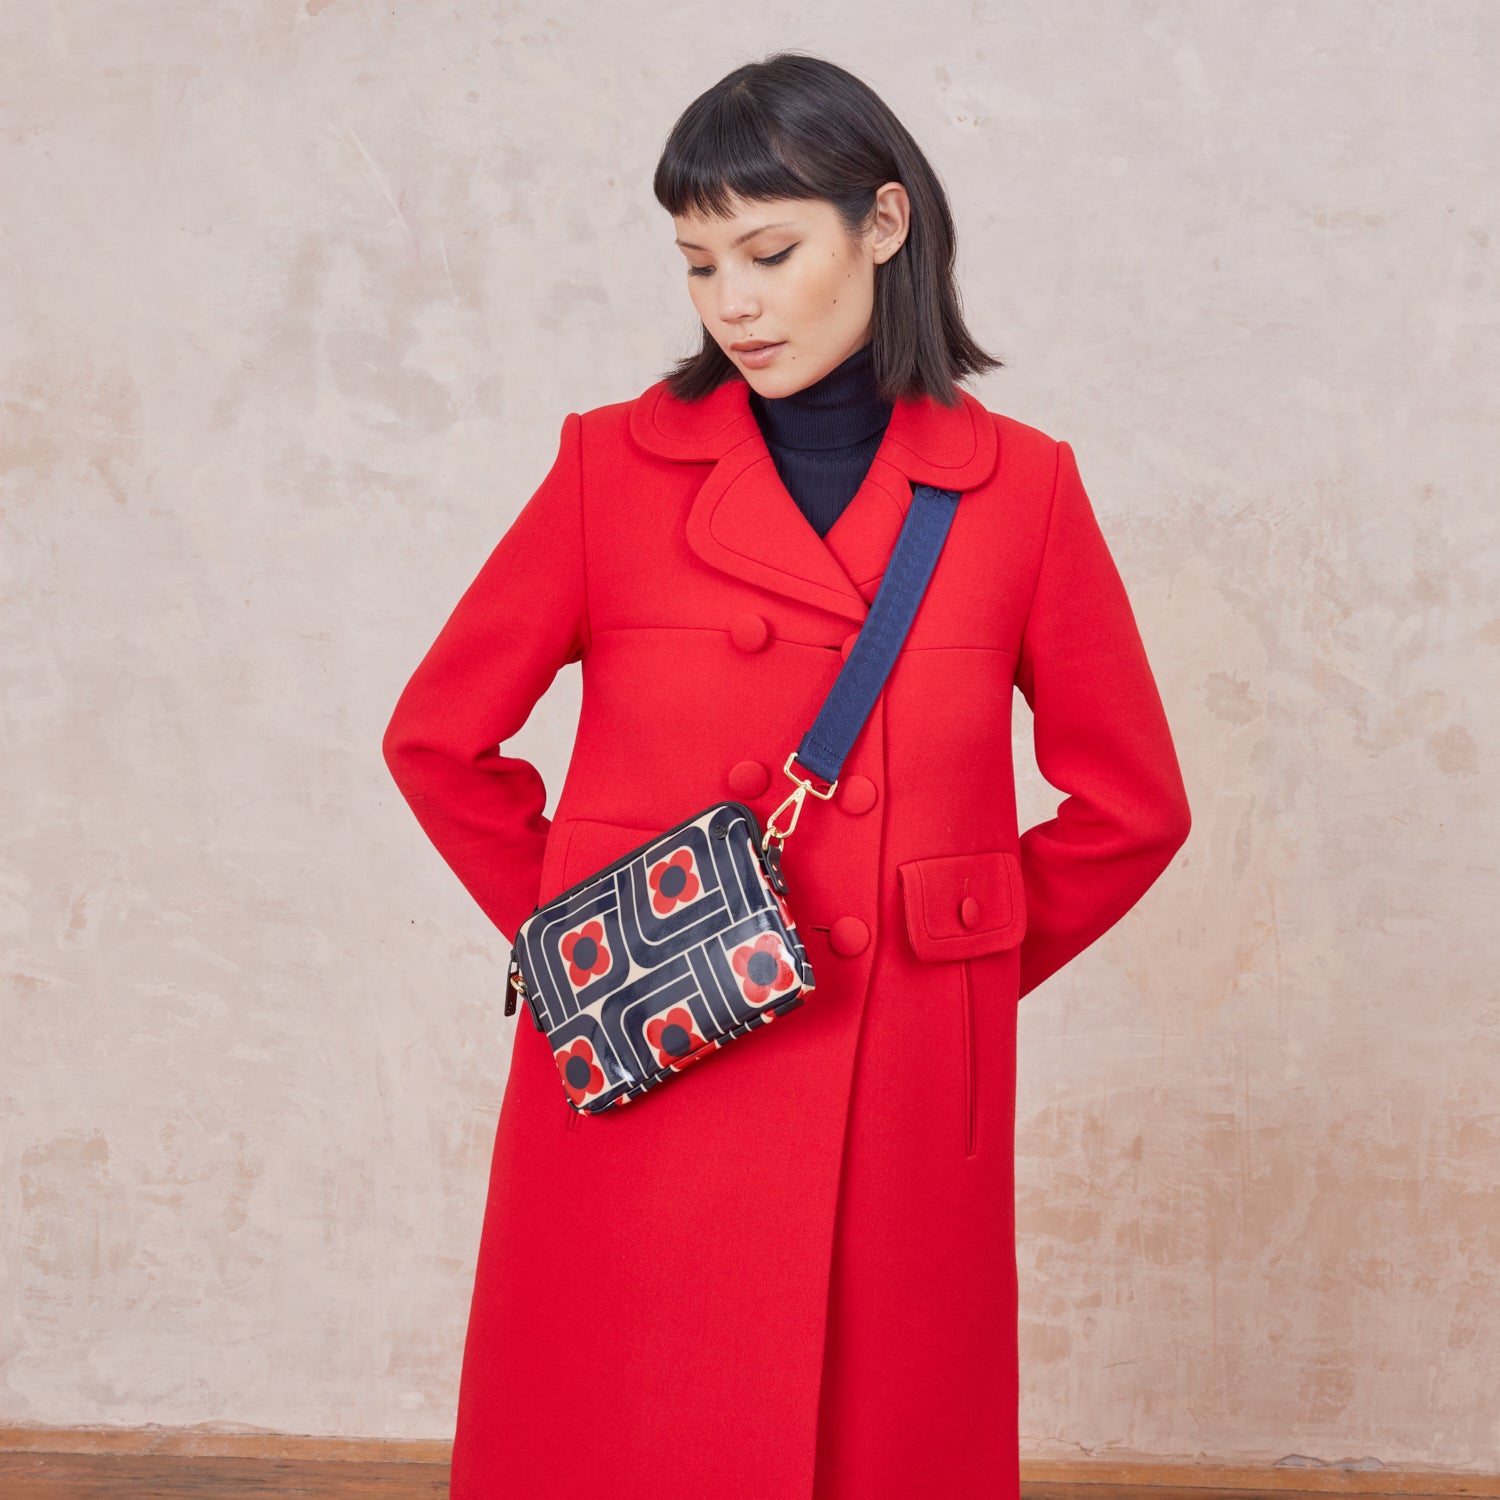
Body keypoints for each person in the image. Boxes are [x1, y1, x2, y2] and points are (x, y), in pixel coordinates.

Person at [382, 50, 1190, 1500]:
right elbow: (436, 737)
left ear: (884, 225)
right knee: (624, 1429)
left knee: (878, 1445)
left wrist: (952, 959)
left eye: (769, 251)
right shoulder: (607, 471)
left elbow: (1132, 805)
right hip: (653, 1044)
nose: (732, 304)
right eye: (698, 266)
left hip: (896, 1076)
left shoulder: (1019, 489)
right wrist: (593, 936)